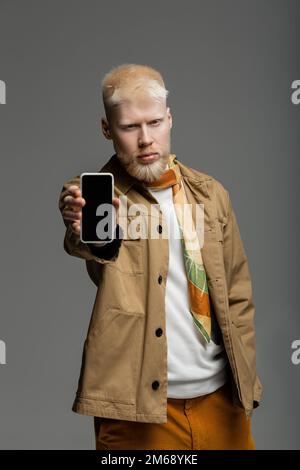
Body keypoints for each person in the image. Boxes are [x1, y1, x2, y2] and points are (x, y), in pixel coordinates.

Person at [58, 63, 262, 450]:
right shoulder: (100, 197)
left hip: (221, 405)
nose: (145, 139)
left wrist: (246, 384)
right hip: (138, 414)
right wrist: (83, 222)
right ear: (107, 129)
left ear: (169, 118)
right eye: (130, 127)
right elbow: (92, 244)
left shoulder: (211, 194)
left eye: (154, 123)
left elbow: (238, 296)